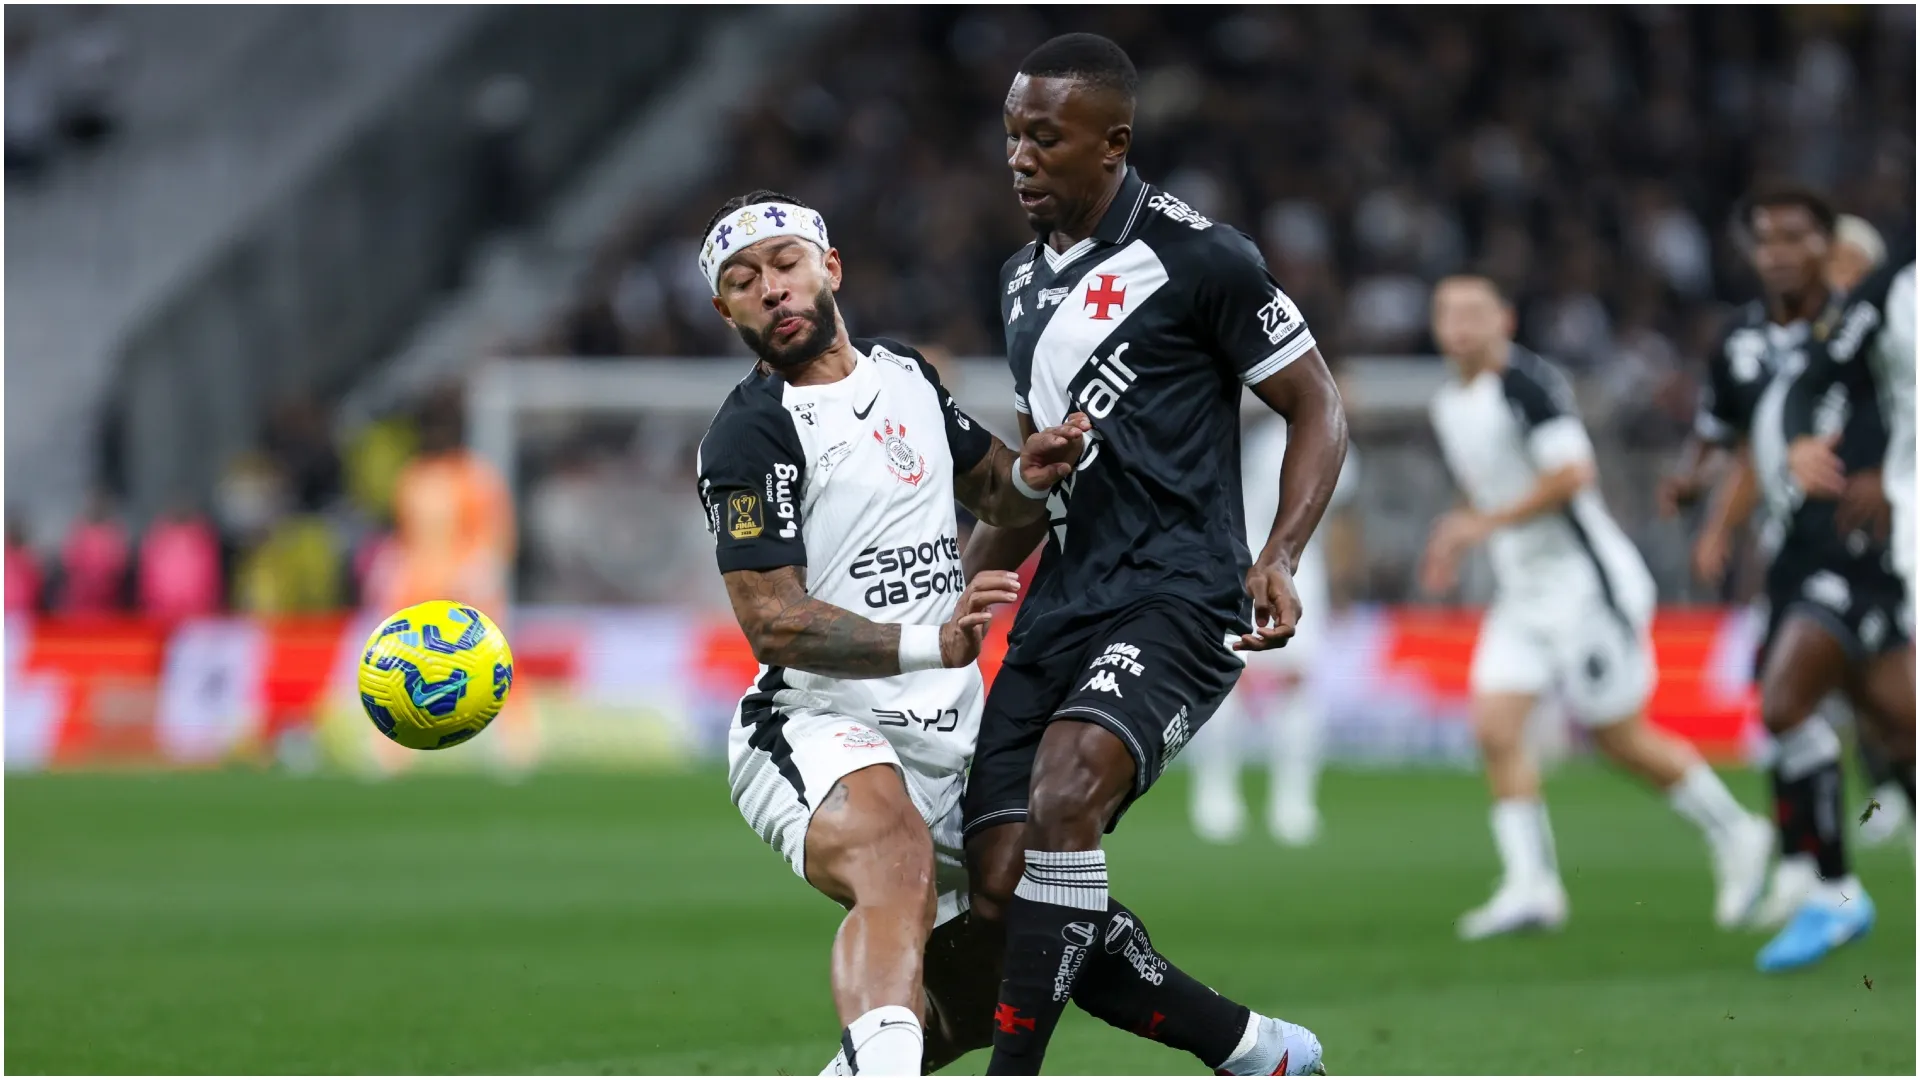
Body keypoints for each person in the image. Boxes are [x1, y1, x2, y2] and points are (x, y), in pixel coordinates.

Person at [959, 34, 1343, 1075]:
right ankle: (1253, 1049)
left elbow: (1317, 403)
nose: (1020, 157)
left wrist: (1281, 552)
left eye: (1045, 137)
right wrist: (964, 590)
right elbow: (1037, 479)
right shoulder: (1020, 282)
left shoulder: (1201, 257)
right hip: (1064, 599)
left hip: (1182, 590)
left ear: (1113, 143)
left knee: (1066, 797)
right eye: (1012, 136)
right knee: (1001, 878)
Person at [690, 190, 1088, 1074]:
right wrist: (931, 641)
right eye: (744, 282)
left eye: (785, 264)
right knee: (893, 860)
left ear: (829, 267)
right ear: (727, 312)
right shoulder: (749, 435)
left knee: (1001, 971)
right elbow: (774, 623)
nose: (771, 290)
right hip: (818, 720)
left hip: (950, 727)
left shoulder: (905, 373)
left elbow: (997, 492)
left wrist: (1037, 470)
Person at [1419, 273, 1772, 940]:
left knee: (1619, 738)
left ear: (1505, 320)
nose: (1459, 325)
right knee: (1495, 727)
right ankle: (1532, 887)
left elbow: (1573, 474)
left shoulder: (1527, 385)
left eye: (1473, 313)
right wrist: (1453, 538)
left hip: (1586, 588)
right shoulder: (1448, 404)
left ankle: (1736, 832)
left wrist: (1483, 525)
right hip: (1523, 594)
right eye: (1447, 313)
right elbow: (1486, 487)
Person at [1684, 187, 1889, 969]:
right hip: (1805, 547)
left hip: (1875, 544)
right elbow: (1748, 440)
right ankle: (1818, 880)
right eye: (1766, 240)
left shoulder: (1879, 330)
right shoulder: (1756, 341)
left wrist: (1883, 471)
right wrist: (1717, 518)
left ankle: (1824, 884)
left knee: (1816, 708)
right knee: (1798, 706)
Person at [1758, 257, 1917, 968]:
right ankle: (1832, 892)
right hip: (1851, 553)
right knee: (1820, 711)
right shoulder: (1879, 305)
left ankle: (1831, 892)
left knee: (1888, 726)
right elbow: (1807, 387)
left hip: (1878, 553)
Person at [1189, 414, 1355, 846]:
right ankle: (1228, 795)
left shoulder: (1312, 439)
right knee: (1236, 682)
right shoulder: (1304, 440)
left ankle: (1278, 801)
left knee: (1288, 684)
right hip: (1258, 565)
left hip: (1285, 569)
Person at [1819, 215, 1909, 847]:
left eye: (1851, 264)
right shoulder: (1817, 339)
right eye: (1833, 263)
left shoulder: (1886, 329)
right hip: (1841, 526)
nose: (1839, 276)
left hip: (1889, 519)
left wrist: (1881, 468)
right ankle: (1886, 789)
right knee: (1860, 675)